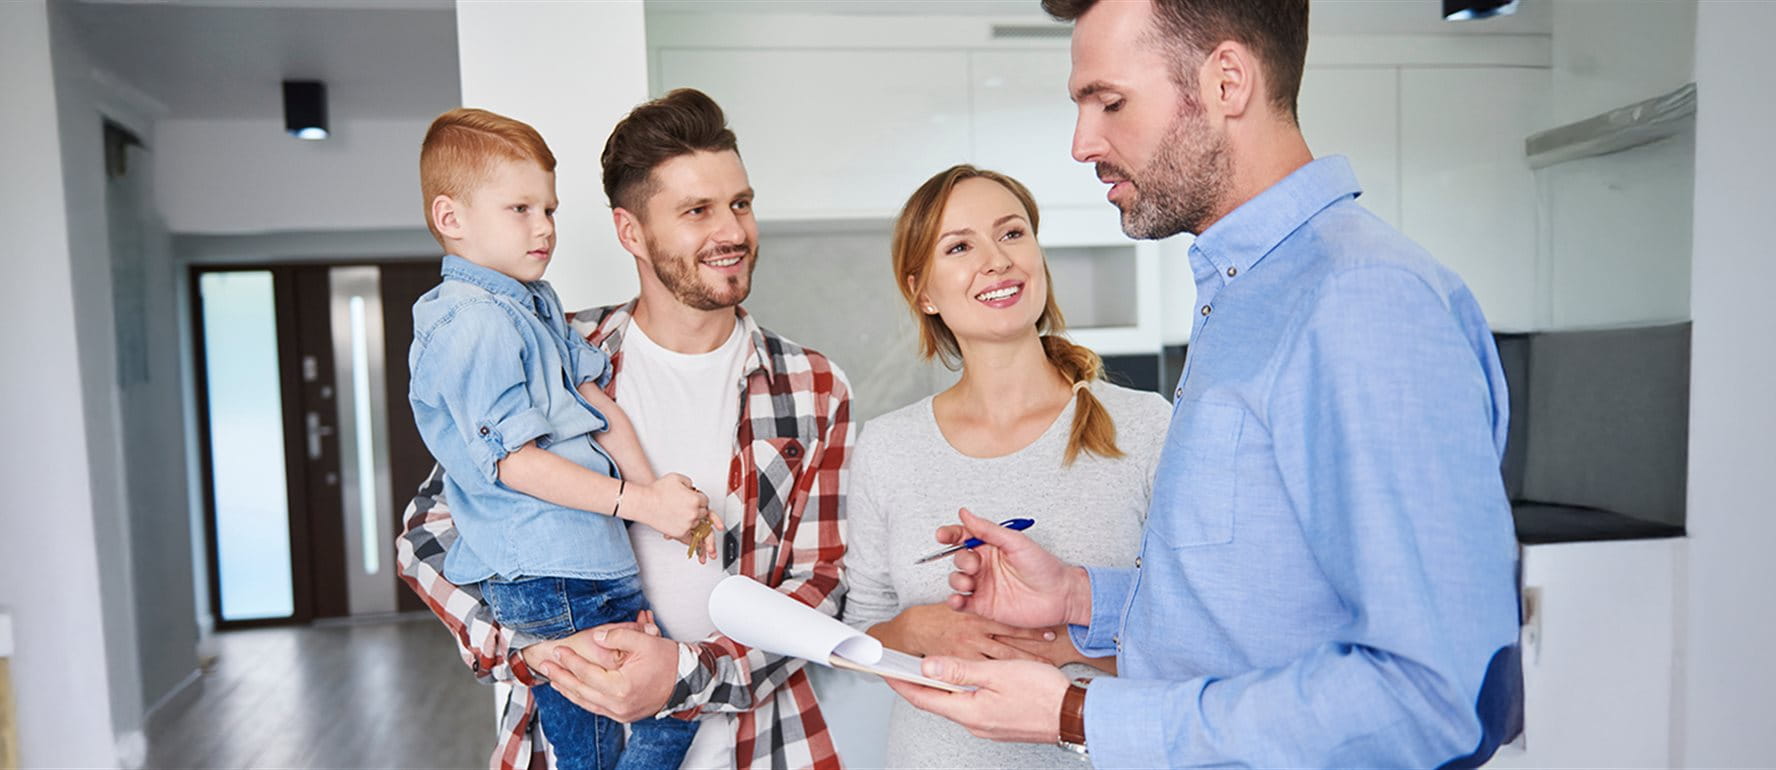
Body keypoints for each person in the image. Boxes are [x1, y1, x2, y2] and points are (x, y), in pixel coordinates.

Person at [886, 1, 1524, 767]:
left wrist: (1080, 711)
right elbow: (1258, 612)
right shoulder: (1247, 296)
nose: (1083, 143)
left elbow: (1437, 700)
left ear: (1226, 81)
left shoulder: (1362, 299)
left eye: (1109, 102)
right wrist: (1080, 598)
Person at [397, 89, 853, 770]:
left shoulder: (813, 386)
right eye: (697, 211)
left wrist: (685, 674)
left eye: (740, 203)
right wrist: (527, 649)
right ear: (631, 232)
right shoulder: (552, 351)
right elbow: (428, 532)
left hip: (761, 748)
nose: (731, 230)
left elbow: (824, 583)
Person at [408, 106, 714, 770]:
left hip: (593, 560)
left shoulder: (534, 301)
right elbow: (516, 465)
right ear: (451, 219)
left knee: (675, 700)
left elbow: (598, 404)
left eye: (549, 209)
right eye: (520, 209)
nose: (544, 227)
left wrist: (656, 492)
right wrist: (641, 505)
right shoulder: (471, 324)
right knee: (593, 749)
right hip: (547, 574)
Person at [840, 164, 1170, 768]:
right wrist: (915, 632)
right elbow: (860, 634)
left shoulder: (1148, 428)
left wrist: (1060, 647)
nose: (996, 260)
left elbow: (1203, 637)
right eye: (960, 246)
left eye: (1012, 233)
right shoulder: (887, 448)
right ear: (924, 291)